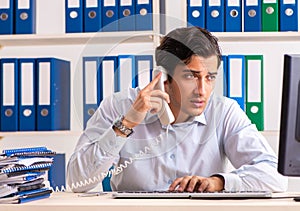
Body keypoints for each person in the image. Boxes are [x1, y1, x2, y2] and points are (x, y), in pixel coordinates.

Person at [67, 26, 288, 193]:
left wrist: (218, 182)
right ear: (163, 77)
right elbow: (77, 182)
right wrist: (127, 124)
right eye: (191, 76)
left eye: (210, 77)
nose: (202, 90)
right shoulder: (119, 106)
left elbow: (275, 177)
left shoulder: (224, 112)